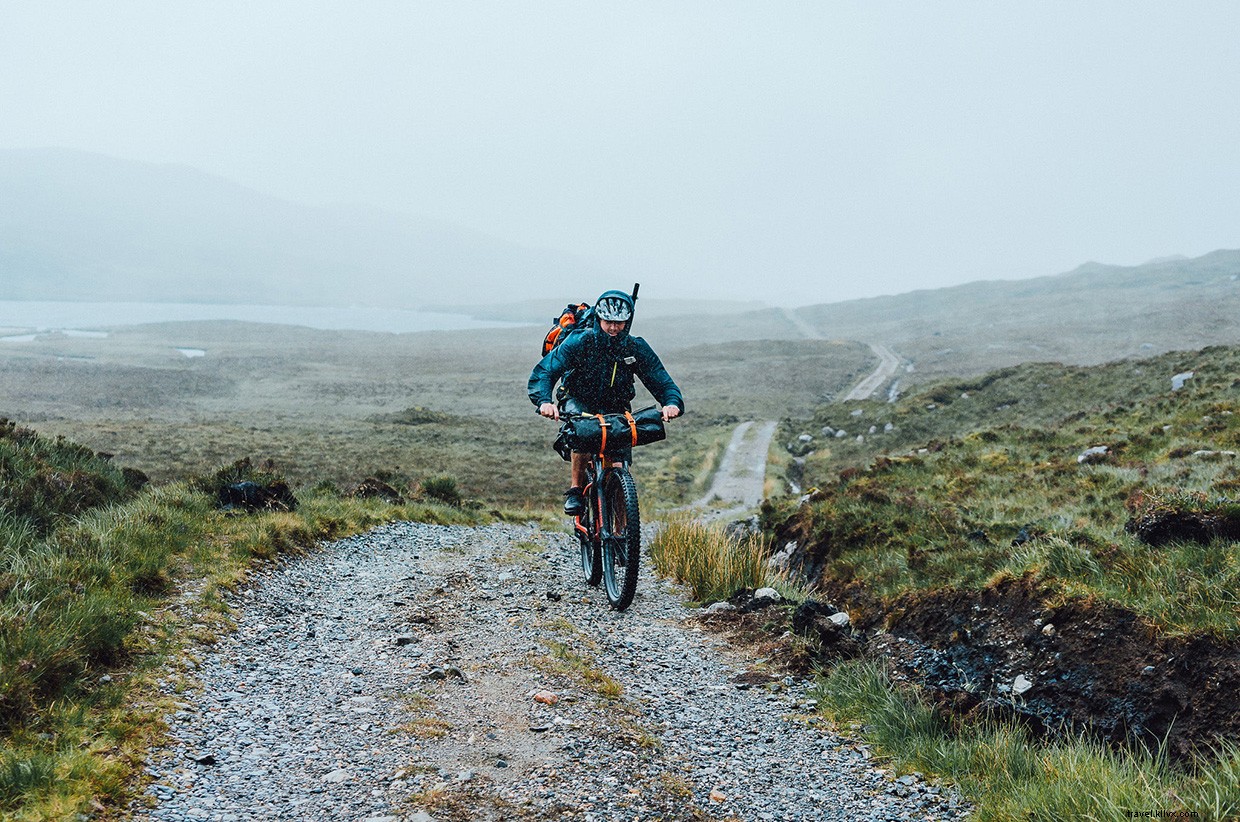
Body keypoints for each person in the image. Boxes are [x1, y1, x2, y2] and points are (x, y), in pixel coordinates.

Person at [528, 289, 684, 515]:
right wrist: (544, 401)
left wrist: (671, 403)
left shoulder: (635, 347)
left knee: (619, 464)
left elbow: (661, 380)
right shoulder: (580, 341)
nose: (613, 328)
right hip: (578, 398)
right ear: (599, 318)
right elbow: (546, 371)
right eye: (608, 321)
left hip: (616, 406)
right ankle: (575, 490)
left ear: (627, 321)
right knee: (583, 432)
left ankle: (622, 531)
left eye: (619, 323)